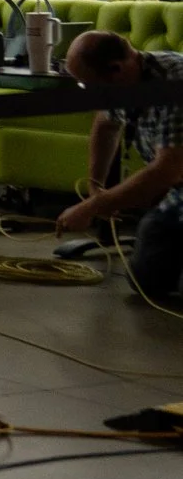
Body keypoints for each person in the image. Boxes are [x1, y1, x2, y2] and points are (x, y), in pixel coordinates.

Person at [56, 30, 183, 299]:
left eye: (89, 85)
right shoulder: (122, 83)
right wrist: (96, 186)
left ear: (116, 69)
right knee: (145, 280)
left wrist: (93, 206)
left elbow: (168, 169)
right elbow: (105, 125)